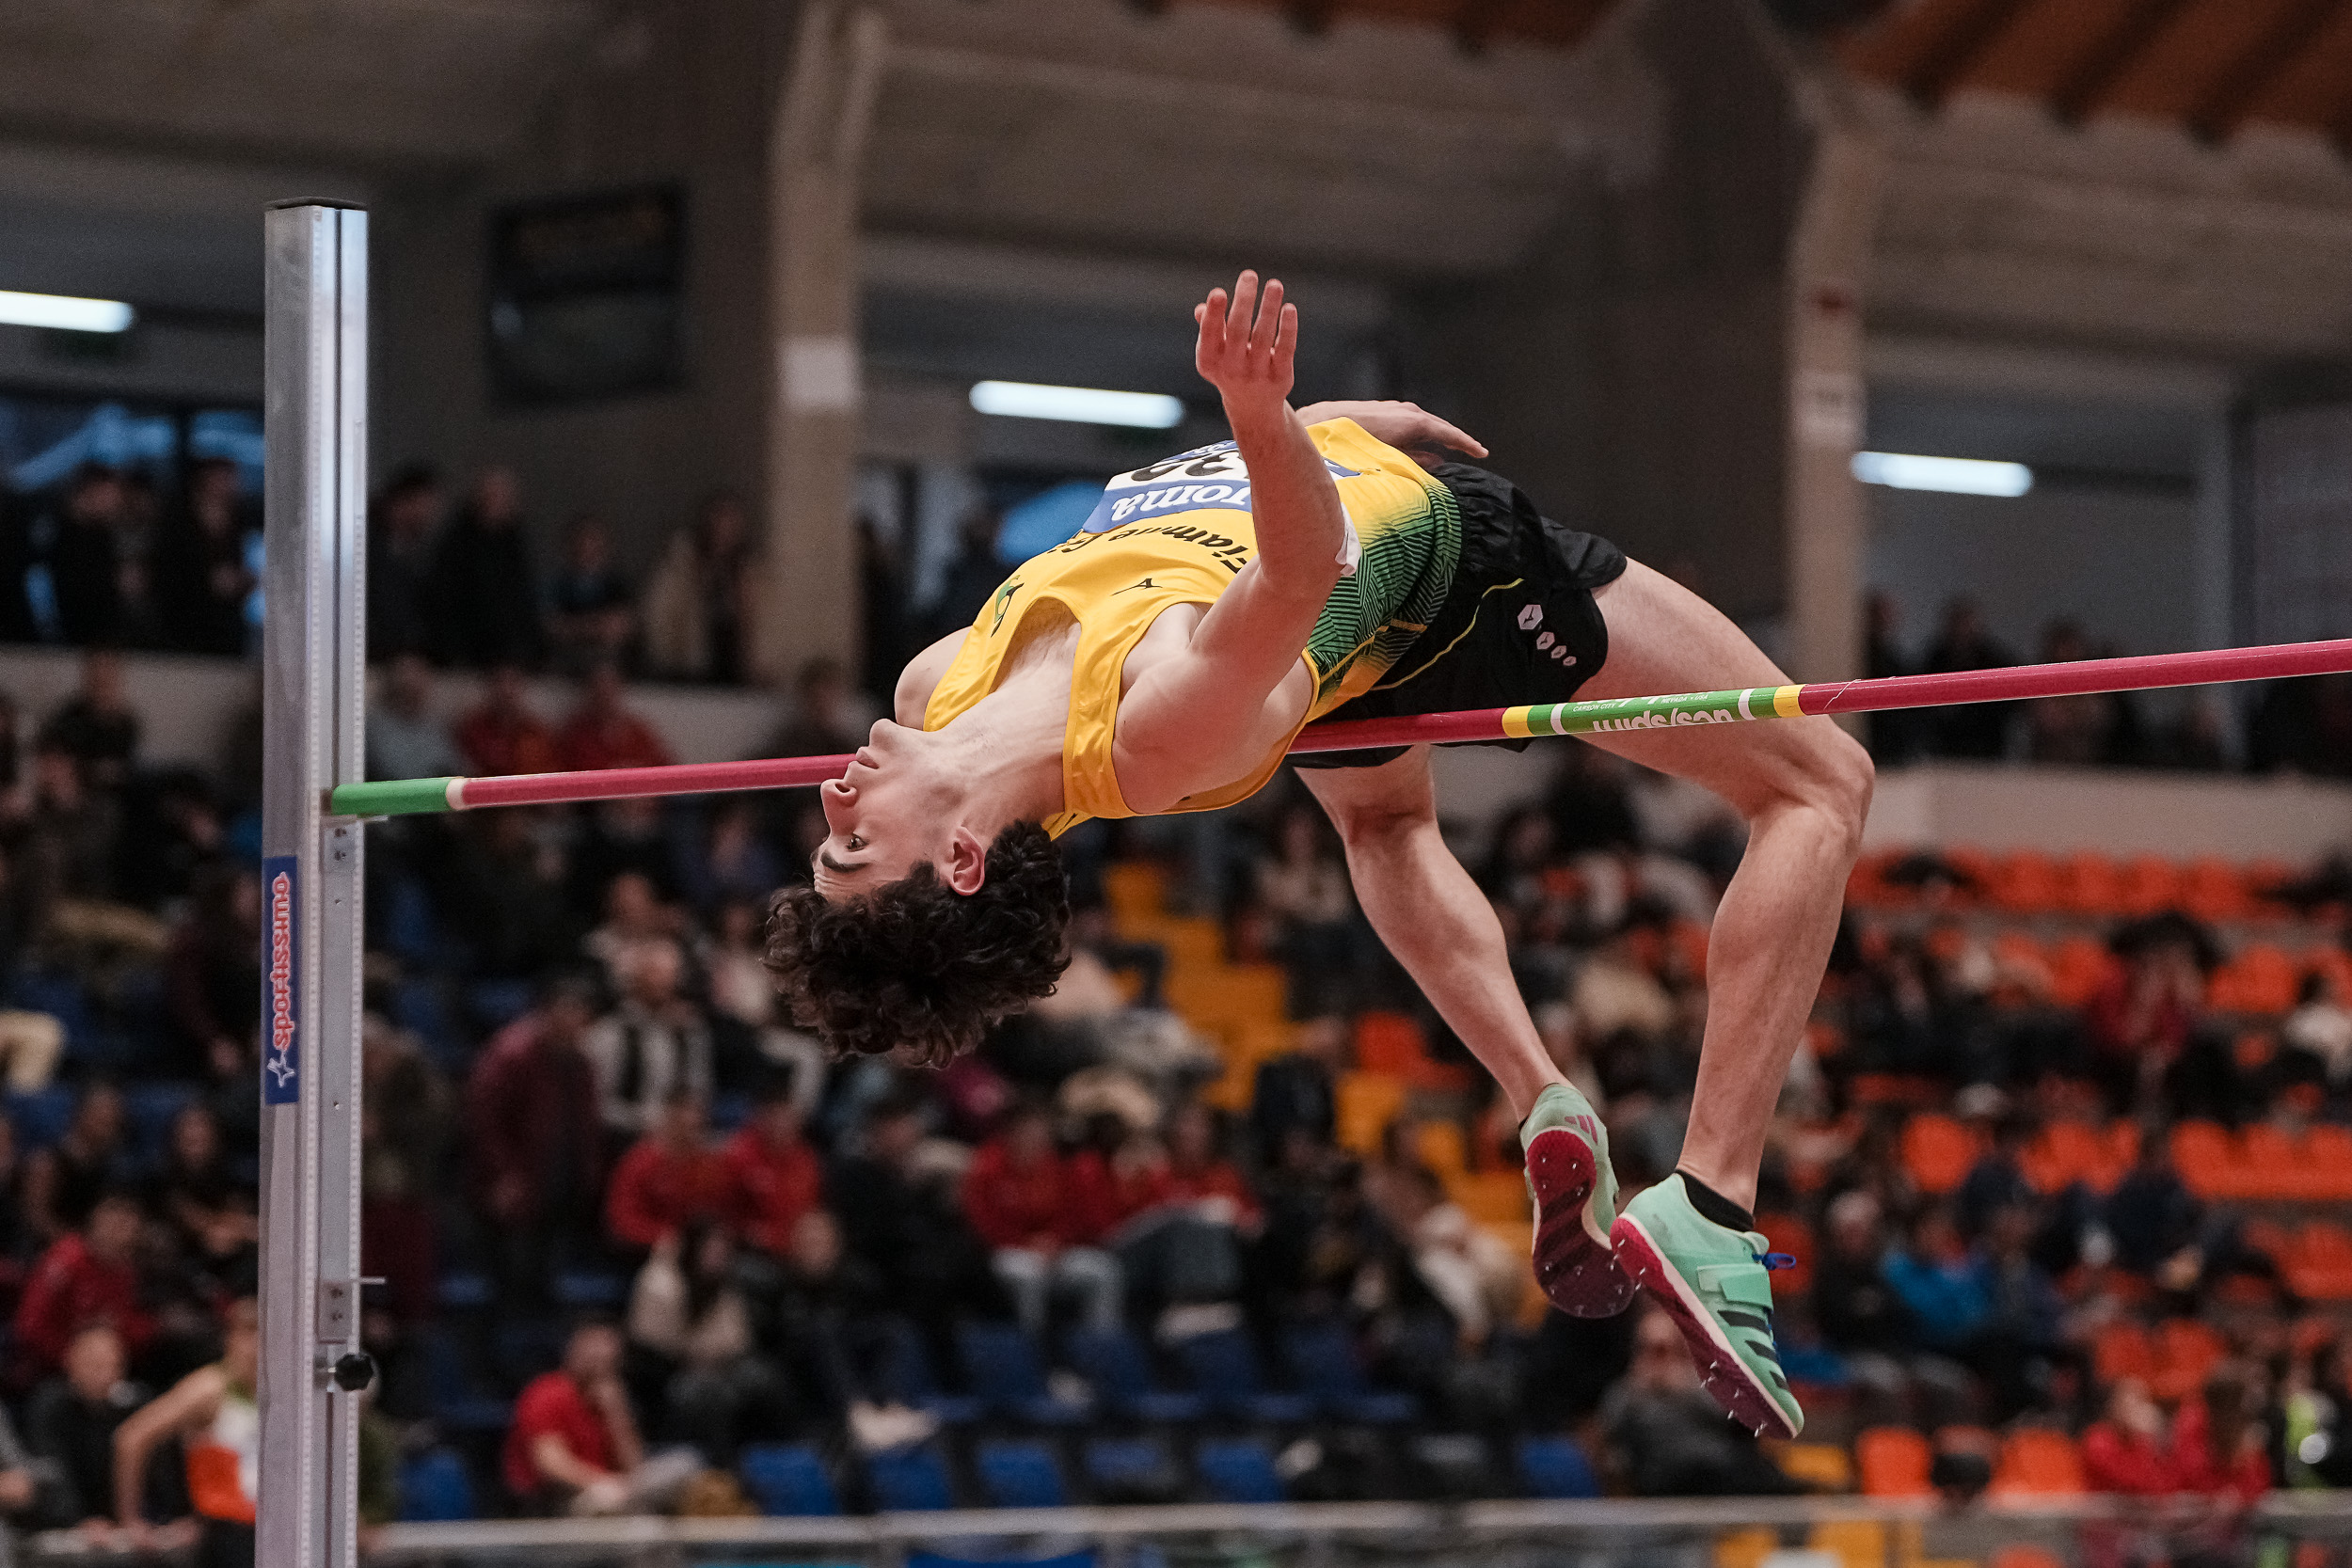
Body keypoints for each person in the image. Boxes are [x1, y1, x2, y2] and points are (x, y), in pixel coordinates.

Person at [766, 271, 1872, 1437]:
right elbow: (1300, 570)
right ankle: (1711, 1195)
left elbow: (1145, 528)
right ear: (960, 858)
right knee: (1818, 782)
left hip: (1341, 615)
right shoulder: (1155, 734)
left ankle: (1544, 1095)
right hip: (1453, 573)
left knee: (1386, 824)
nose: (833, 796)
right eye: (852, 844)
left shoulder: (934, 685)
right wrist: (1264, 417)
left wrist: (1325, 430)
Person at [468, 978, 607, 1307]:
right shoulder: (511, 1054)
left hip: (558, 1176)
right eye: (569, 1013)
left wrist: (589, 1171)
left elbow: (586, 1122)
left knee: (548, 1269)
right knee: (511, 1274)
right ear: (549, 1012)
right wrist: (502, 1175)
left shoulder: (580, 1061)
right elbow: (483, 1120)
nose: (576, 1023)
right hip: (516, 1179)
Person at [111, 1295, 260, 1568]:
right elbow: (132, 1438)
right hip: (227, 1535)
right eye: (247, 1335)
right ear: (230, 1340)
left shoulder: (279, 1396)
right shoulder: (210, 1389)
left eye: (262, 1336)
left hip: (269, 1528)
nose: (256, 1347)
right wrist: (130, 1520)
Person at [501, 1319, 698, 1516]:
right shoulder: (547, 1392)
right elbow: (552, 1464)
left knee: (686, 1461)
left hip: (618, 1491)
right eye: (593, 1345)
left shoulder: (611, 1397)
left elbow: (635, 1466)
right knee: (617, 1506)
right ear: (573, 1348)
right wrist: (602, 1483)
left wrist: (615, 1412)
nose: (601, 1355)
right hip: (565, 1498)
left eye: (608, 1346)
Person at [961, 1101, 1121, 1336]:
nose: (1037, 1139)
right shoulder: (987, 1168)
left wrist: (1056, 1241)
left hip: (1053, 1252)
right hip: (1005, 1252)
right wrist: (1024, 1244)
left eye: (1042, 1132)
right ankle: (1035, 1349)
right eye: (1030, 1131)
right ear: (1012, 1133)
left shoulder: (1055, 1167)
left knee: (1102, 1270)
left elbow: (1072, 1214)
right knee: (1028, 1276)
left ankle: (1100, 1348)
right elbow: (982, 1223)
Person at [13, 1193, 151, 1386]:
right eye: (113, 1217)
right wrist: (72, 1358)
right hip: (50, 1369)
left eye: (127, 1219)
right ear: (95, 1219)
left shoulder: (126, 1270)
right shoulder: (67, 1259)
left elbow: (126, 1324)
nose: (119, 1227)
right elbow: (30, 1324)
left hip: (106, 1369)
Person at [581, 938, 714, 1139]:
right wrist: (646, 1121)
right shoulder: (610, 1033)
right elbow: (598, 1102)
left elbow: (699, 1089)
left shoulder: (689, 1031)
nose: (663, 982)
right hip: (624, 1136)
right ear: (634, 979)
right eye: (654, 973)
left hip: (676, 1138)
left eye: (670, 974)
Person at [25, 1323, 145, 1533]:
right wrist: (77, 1521)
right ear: (70, 1361)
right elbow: (50, 1471)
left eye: (113, 1366)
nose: (105, 1375)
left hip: (121, 1526)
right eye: (95, 1365)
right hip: (60, 1525)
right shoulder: (51, 1407)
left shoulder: (133, 1406)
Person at [431, 466, 543, 669]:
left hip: (508, 656)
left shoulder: (515, 546)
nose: (497, 504)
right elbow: (448, 599)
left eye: (503, 499)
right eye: (492, 497)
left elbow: (521, 601)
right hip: (465, 649)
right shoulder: (456, 545)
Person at [644, 492, 758, 684]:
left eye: (730, 522)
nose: (723, 529)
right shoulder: (682, 563)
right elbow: (660, 611)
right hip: (690, 664)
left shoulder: (749, 569)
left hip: (735, 664)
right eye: (718, 520)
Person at [153, 457, 255, 657]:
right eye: (223, 478)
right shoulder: (178, 523)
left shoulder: (239, 522)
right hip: (185, 625)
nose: (231, 484)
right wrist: (207, 581)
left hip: (227, 626)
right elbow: (167, 571)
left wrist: (243, 581)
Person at [546, 515, 636, 676]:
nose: (587, 549)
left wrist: (579, 626)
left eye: (593, 543)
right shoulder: (557, 585)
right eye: (581, 543)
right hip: (566, 659)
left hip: (607, 660)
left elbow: (619, 627)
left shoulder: (617, 585)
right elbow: (554, 627)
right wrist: (594, 626)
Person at [556, 663, 674, 774]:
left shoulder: (637, 733)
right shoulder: (574, 735)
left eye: (610, 690)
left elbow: (664, 770)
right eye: (599, 690)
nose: (605, 697)